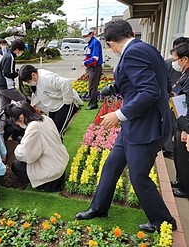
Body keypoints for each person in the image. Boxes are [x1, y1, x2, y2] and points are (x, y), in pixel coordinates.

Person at [74, 19, 177, 233]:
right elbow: (161, 81)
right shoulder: (146, 47)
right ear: (131, 33)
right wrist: (113, 87)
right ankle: (99, 208)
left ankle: (163, 221)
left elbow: (149, 91)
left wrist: (119, 114)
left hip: (144, 128)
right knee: (111, 166)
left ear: (110, 43)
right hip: (137, 126)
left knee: (139, 177)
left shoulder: (131, 54)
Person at [6, 101, 69, 192]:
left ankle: (43, 185)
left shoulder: (34, 127)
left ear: (21, 117)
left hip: (51, 175)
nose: (18, 125)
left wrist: (19, 146)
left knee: (16, 165)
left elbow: (27, 155)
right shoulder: (45, 118)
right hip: (59, 164)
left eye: (17, 123)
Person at [19, 65, 82, 137]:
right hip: (53, 107)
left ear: (33, 74)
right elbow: (39, 96)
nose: (29, 83)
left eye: (28, 81)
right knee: (51, 129)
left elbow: (65, 83)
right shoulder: (37, 81)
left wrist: (67, 101)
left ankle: (59, 147)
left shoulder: (46, 77)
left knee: (57, 132)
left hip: (63, 105)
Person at [169, 43, 189, 198]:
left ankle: (185, 187)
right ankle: (179, 180)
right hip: (179, 119)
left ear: (185, 59)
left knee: (183, 157)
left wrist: (186, 129)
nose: (174, 62)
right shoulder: (184, 73)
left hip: (185, 123)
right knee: (177, 153)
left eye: (176, 59)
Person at [0, 39, 26, 112]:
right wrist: (16, 73)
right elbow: (7, 73)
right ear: (17, 49)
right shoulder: (10, 57)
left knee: (4, 108)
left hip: (0, 86)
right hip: (7, 86)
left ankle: (1, 122)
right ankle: (24, 118)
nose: (21, 52)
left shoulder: (6, 55)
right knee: (23, 101)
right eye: (21, 51)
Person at [81, 27, 103, 110]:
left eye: (86, 35)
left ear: (91, 34)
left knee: (93, 86)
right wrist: (85, 61)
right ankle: (93, 103)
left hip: (95, 67)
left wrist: (85, 63)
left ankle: (93, 104)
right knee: (92, 86)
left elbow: (95, 58)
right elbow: (88, 56)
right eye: (83, 36)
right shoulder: (90, 43)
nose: (85, 38)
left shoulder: (95, 43)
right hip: (91, 68)